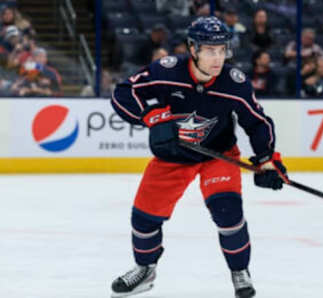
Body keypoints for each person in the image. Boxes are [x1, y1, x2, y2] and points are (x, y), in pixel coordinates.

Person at [110, 16, 288, 298]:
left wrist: (267, 159)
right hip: (172, 156)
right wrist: (154, 117)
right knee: (144, 218)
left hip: (219, 155)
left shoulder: (233, 83)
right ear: (193, 48)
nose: (217, 58)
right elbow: (123, 93)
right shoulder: (167, 70)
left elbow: (257, 122)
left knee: (228, 212)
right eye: (209, 50)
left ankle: (239, 271)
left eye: (222, 50)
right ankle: (144, 268)